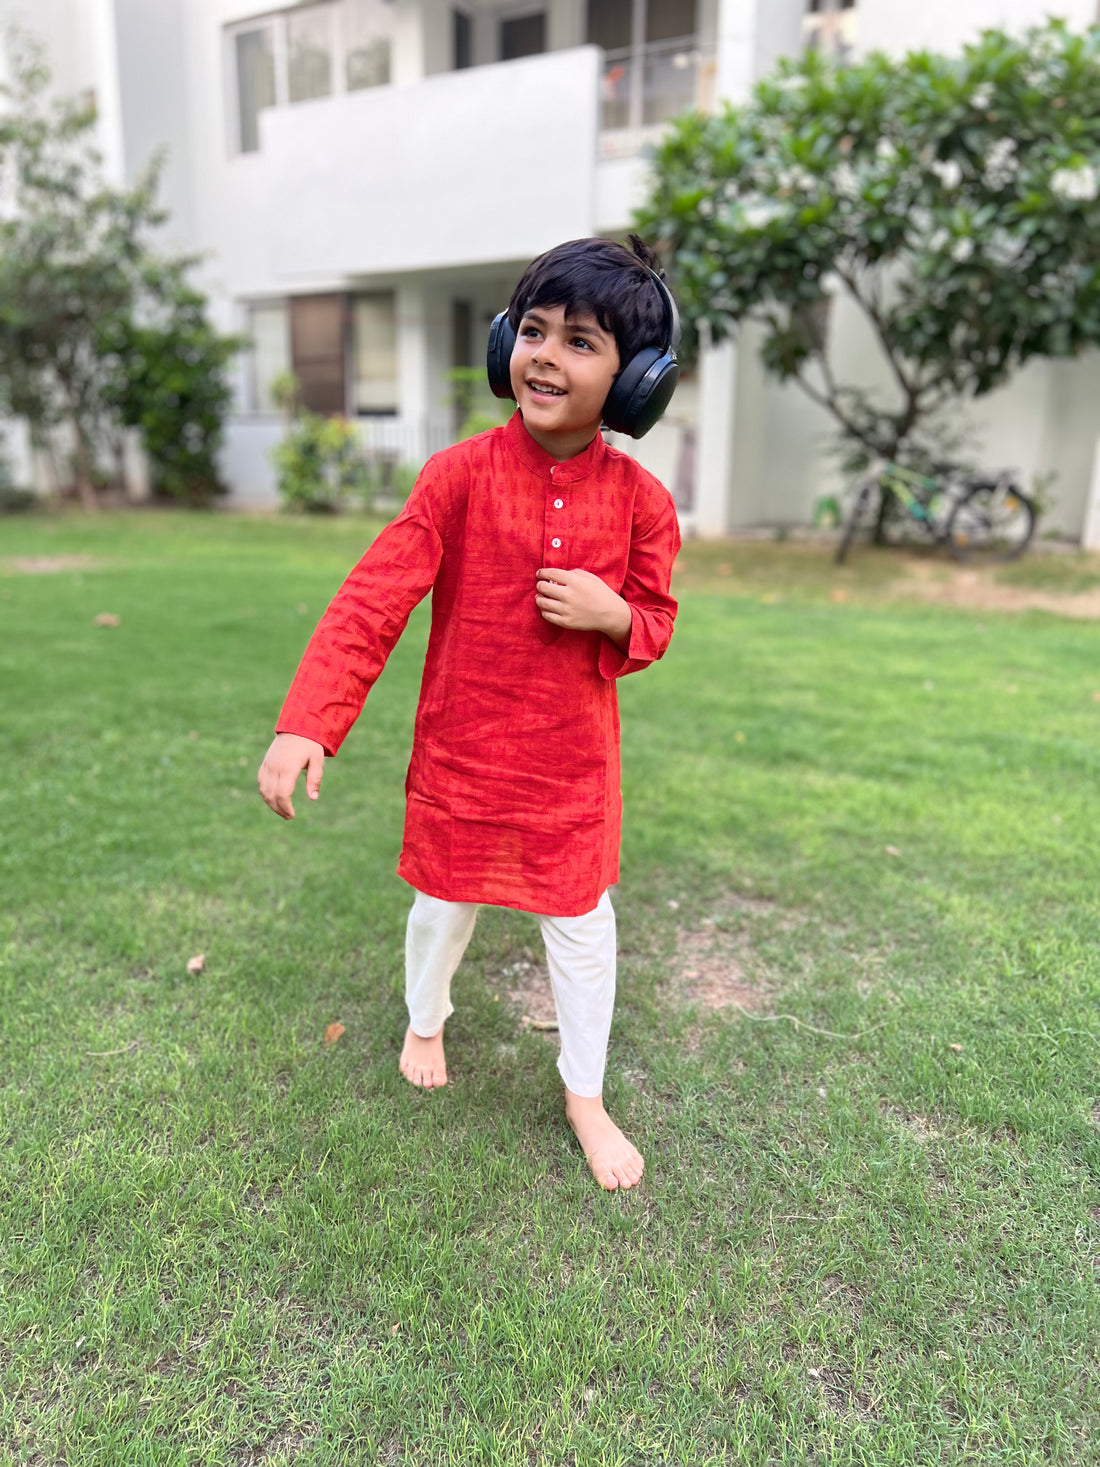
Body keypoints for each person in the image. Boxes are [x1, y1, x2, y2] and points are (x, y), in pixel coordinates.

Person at [257, 235, 681, 1191]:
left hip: (572, 773)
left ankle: (584, 1095)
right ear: (503, 343)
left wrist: (614, 613)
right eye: (533, 331)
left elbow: (656, 623)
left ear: (636, 381)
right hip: (464, 756)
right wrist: (308, 718)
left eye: (580, 342)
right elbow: (374, 599)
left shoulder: (644, 504)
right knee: (440, 909)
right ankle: (426, 1019)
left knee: (584, 932)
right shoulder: (455, 477)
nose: (545, 356)